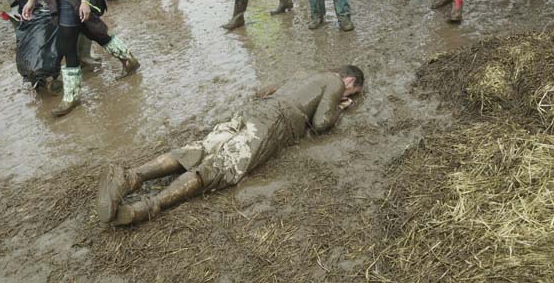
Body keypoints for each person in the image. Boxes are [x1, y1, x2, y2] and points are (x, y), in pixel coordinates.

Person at [97, 65, 365, 226]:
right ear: (350, 81)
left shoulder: (306, 73)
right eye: (353, 91)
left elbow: (263, 91)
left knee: (201, 148)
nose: (348, 94)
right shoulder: (335, 82)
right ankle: (146, 207)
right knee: (221, 166)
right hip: (276, 122)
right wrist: (341, 107)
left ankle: (131, 177)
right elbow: (320, 124)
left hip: (254, 110)